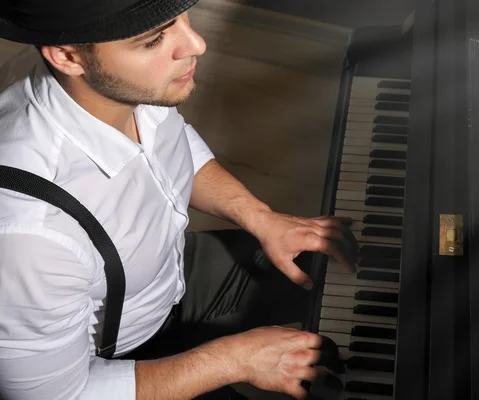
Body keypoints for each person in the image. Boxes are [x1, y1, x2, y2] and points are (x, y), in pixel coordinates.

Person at [0, 0, 358, 399]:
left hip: (168, 274)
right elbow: (57, 396)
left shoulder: (109, 85)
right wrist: (235, 359)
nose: (197, 44)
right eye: (154, 39)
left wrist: (260, 217)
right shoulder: (29, 234)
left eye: (183, 19)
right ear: (67, 56)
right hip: (116, 361)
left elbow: (171, 143)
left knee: (338, 259)